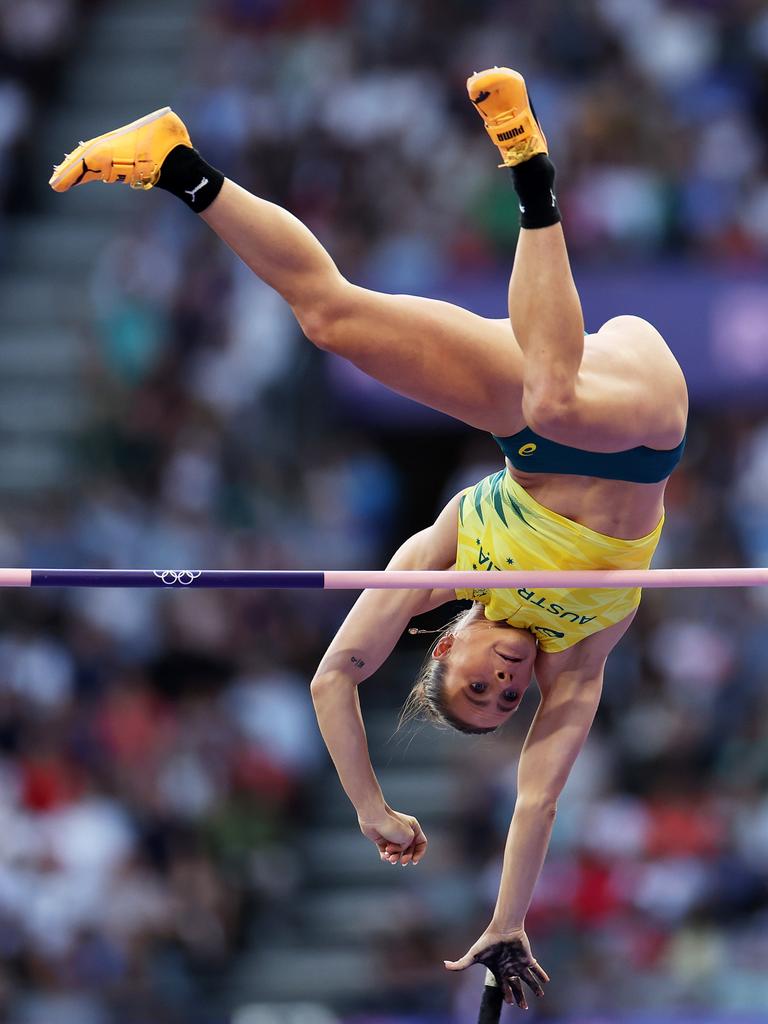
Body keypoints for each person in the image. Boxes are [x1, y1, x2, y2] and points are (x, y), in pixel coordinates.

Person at [50, 66, 688, 1009]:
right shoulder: (584, 656)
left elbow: (334, 675)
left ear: (449, 641)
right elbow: (537, 800)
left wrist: (368, 806)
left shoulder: (439, 554)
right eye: (508, 697)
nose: (507, 682)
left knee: (329, 317)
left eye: (476, 686)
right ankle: (528, 164)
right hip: (638, 410)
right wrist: (508, 918)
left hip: (540, 410)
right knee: (551, 393)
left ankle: (175, 162)